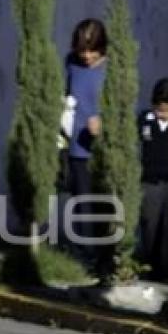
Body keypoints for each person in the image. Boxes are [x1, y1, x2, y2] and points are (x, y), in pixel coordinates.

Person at [64, 18, 108, 272]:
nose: (87, 56)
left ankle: (105, 258)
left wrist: (104, 124)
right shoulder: (71, 64)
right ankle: (84, 257)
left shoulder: (110, 68)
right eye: (82, 50)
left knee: (104, 204)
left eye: (91, 50)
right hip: (77, 149)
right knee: (82, 204)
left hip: (103, 150)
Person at [137, 78, 168, 282]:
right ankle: (149, 268)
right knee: (150, 228)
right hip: (150, 183)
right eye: (159, 108)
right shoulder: (144, 120)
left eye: (166, 110)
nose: (161, 113)